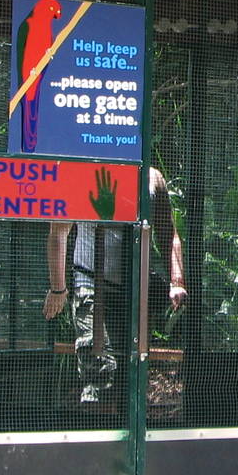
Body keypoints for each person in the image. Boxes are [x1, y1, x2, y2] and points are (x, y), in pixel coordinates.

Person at [45, 166, 186, 408]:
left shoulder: (152, 177)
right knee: (99, 367)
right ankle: (94, 431)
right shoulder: (81, 171)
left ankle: (124, 435)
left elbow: (167, 232)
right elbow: (59, 231)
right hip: (91, 284)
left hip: (136, 290)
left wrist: (177, 281)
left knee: (130, 373)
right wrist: (59, 289)